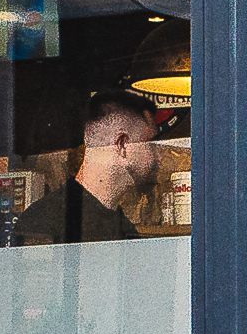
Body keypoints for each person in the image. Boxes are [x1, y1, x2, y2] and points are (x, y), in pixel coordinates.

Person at [15, 90, 157, 244]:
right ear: (122, 145)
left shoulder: (120, 224)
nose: (158, 155)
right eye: (150, 144)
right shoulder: (44, 221)